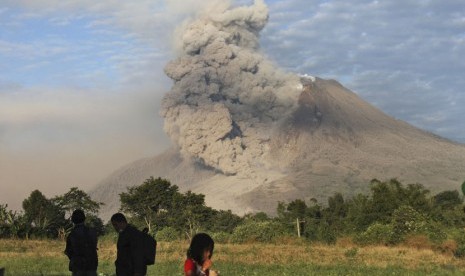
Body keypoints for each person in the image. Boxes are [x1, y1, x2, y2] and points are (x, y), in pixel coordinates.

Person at [64, 209, 98, 276]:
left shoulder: (72, 234)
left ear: (73, 220)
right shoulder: (93, 232)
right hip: (91, 265)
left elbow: (68, 251)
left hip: (78, 266)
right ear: (84, 219)